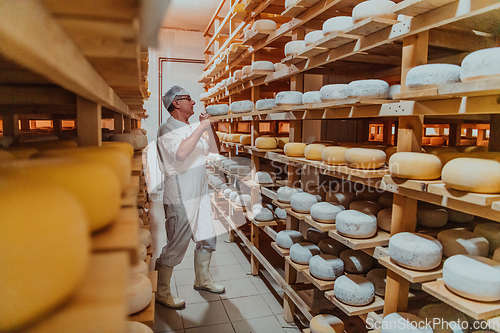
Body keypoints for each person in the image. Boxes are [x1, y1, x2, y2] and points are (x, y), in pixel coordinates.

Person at [155, 85, 223, 309]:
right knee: (176, 245)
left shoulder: (191, 127)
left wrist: (208, 129)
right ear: (176, 103)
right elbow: (181, 153)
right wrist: (201, 127)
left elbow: (214, 151)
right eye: (189, 99)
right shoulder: (167, 129)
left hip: (200, 195)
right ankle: (162, 292)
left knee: (207, 239)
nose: (194, 103)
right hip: (180, 198)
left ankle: (202, 280)